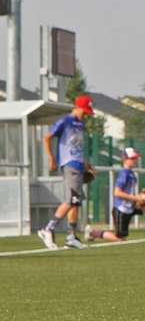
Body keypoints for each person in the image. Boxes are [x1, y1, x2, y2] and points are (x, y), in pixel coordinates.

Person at [38, 94, 95, 250]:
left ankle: (71, 237)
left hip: (78, 165)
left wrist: (85, 163)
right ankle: (48, 229)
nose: (86, 114)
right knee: (72, 200)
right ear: (77, 107)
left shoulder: (80, 125)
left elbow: (77, 147)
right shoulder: (66, 121)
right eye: (84, 111)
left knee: (76, 201)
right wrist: (51, 159)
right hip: (69, 164)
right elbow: (47, 137)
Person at [85, 147, 145, 243]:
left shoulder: (131, 174)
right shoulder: (124, 174)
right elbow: (117, 192)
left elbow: (130, 192)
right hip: (121, 210)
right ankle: (92, 233)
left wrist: (140, 197)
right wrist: (135, 197)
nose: (135, 160)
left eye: (135, 158)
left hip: (131, 206)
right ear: (125, 159)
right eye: (132, 158)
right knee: (120, 239)